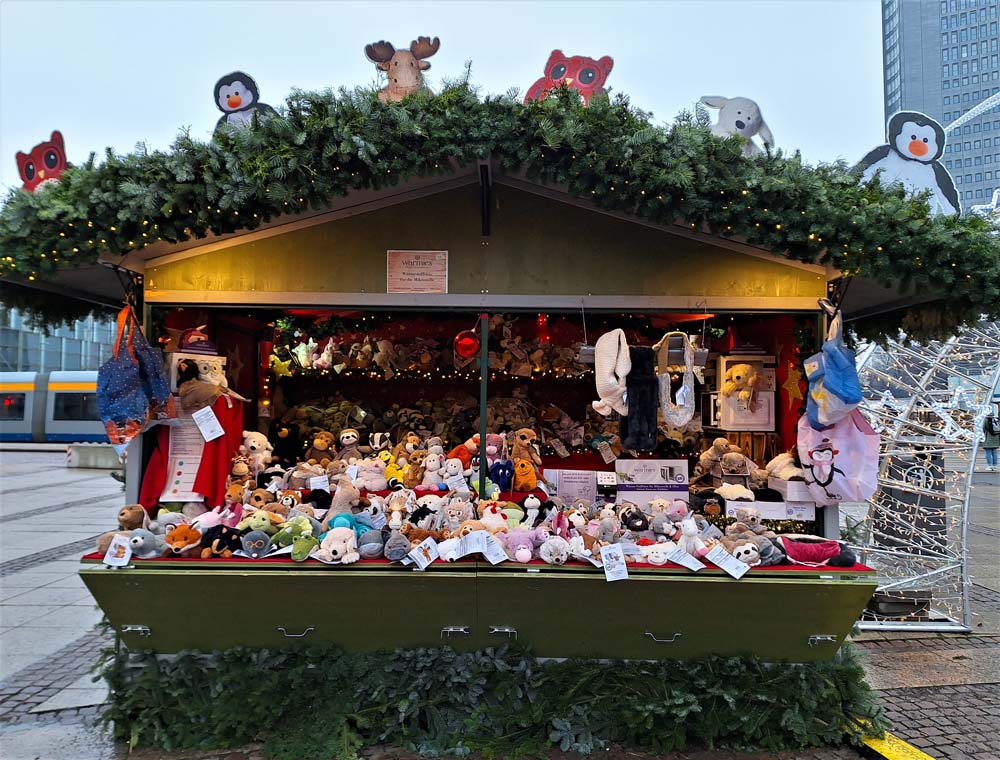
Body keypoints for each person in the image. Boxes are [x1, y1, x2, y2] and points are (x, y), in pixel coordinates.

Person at [984, 405, 1000, 471]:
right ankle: (995, 465)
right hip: (996, 437)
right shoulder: (996, 420)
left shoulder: (985, 420)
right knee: (994, 452)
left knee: (988, 452)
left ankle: (989, 465)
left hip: (988, 438)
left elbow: (983, 429)